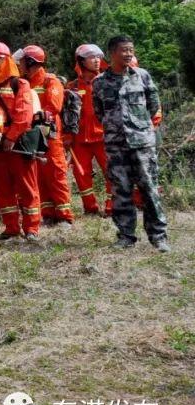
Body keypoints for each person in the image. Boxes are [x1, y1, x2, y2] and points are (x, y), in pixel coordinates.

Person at [92, 36, 169, 252]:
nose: (128, 54)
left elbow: (153, 105)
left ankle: (158, 236)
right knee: (121, 191)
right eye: (124, 50)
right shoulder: (99, 82)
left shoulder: (142, 76)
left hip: (142, 144)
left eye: (131, 50)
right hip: (116, 145)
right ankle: (125, 236)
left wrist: (139, 126)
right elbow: (99, 112)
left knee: (149, 189)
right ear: (112, 54)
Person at [0, 42, 42, 240]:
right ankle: (11, 227)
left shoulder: (19, 84)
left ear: (7, 60)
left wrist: (10, 138)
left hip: (17, 143)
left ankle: (32, 228)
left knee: (26, 186)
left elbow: (24, 116)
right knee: (2, 187)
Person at [22, 45, 74, 227]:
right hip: (33, 135)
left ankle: (64, 215)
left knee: (56, 174)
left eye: (22, 61)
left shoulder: (50, 82)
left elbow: (53, 108)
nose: (20, 65)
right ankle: (48, 213)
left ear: (30, 62)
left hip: (49, 135)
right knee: (39, 176)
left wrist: (35, 117)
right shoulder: (24, 83)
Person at [67, 44, 112, 216]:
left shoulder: (107, 82)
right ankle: (90, 208)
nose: (96, 60)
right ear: (81, 61)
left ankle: (112, 207)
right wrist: (66, 136)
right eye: (91, 57)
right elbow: (65, 115)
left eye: (98, 57)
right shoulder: (72, 87)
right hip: (79, 139)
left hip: (104, 137)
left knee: (111, 172)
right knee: (81, 175)